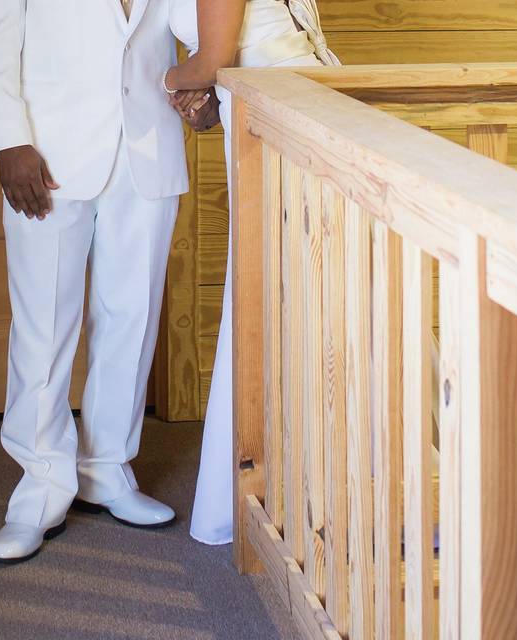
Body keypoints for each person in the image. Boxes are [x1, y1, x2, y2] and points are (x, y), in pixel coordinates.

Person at [0, 0, 188, 563]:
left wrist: (207, 85)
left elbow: (193, 20)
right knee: (44, 324)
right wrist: (7, 139)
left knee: (132, 316)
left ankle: (107, 468)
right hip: (45, 151)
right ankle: (39, 487)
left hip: (147, 142)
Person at [165, 0, 339, 545]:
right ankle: (309, 484)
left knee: (280, 292)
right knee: (303, 289)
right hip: (286, 102)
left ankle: (303, 490)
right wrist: (210, 92)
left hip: (278, 117)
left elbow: (213, 57)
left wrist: (172, 80)